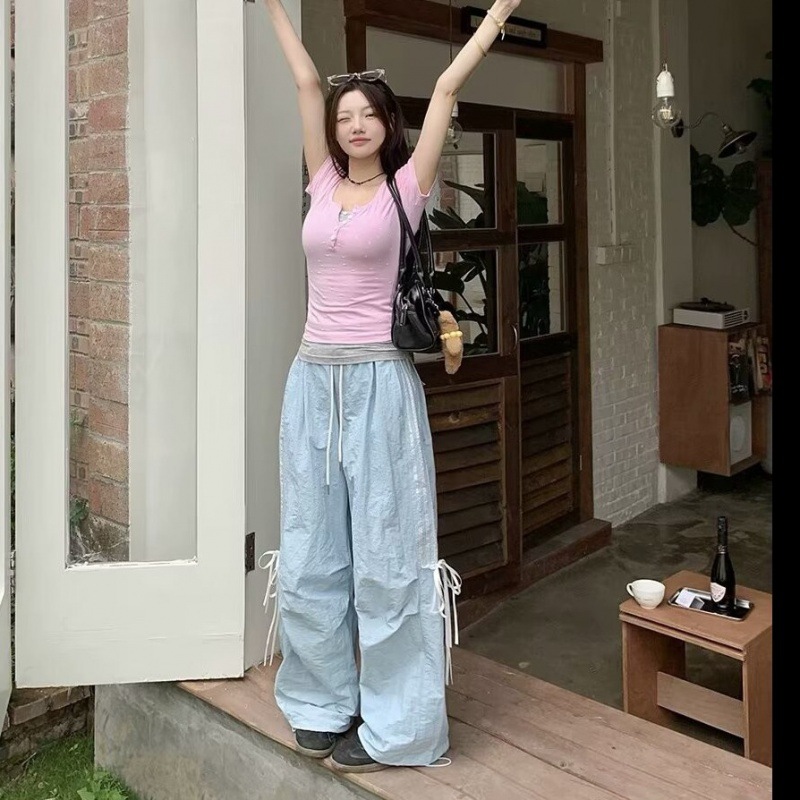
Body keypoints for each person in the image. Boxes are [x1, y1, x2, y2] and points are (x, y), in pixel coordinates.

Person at [261, 0, 522, 773]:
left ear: (386, 124)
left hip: (380, 382)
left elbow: (445, 88)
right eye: (344, 116)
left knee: (387, 560)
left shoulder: (406, 189)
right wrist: (273, 7)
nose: (353, 124)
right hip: (312, 382)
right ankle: (321, 701)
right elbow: (305, 83)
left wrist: (495, 17)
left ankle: (399, 728)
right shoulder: (319, 182)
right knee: (310, 554)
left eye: (367, 114)